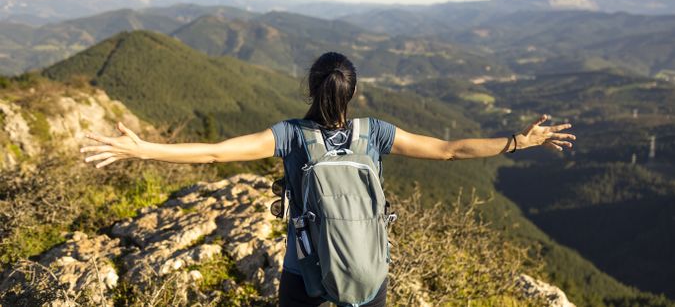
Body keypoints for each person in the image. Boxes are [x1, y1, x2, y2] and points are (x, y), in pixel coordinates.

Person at [80, 52, 575, 307]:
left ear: (311, 89)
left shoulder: (291, 137)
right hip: (367, 267)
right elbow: (450, 151)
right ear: (353, 92)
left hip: (306, 269)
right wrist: (520, 141)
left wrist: (143, 149)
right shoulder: (376, 134)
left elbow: (213, 154)